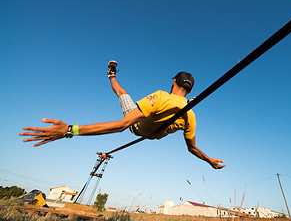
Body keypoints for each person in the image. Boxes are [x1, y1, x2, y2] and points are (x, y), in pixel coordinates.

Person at [20, 61, 226, 169]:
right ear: (189, 91)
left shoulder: (162, 96)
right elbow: (192, 149)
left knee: (122, 93)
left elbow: (121, 125)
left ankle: (111, 75)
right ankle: (113, 77)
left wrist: (69, 130)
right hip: (152, 134)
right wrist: (210, 161)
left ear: (173, 82)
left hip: (135, 127)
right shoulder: (191, 115)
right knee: (136, 105)